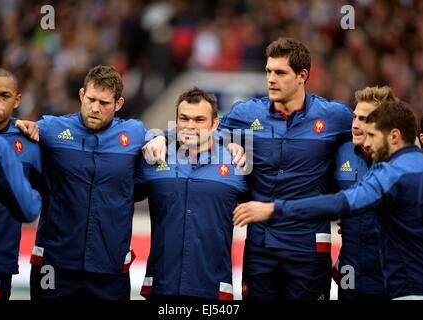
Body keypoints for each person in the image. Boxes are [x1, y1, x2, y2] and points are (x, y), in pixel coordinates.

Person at [145, 37, 353, 299]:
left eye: (280, 72)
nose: (271, 79)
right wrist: (162, 136)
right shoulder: (246, 114)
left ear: (302, 75)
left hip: (308, 248)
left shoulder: (335, 116)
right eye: (268, 71)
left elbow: (370, 135)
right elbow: (199, 130)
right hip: (260, 248)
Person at [234, 100, 423, 300]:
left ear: (394, 136)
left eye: (373, 135)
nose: (367, 143)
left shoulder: (392, 174)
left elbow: (342, 203)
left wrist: (275, 209)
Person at [17, 65, 147, 300]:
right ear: (81, 95)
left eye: (104, 103)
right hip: (54, 267)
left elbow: (173, 139)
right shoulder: (50, 129)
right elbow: (10, 133)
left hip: (110, 269)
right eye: (91, 99)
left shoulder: (136, 134)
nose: (95, 108)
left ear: (118, 104)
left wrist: (157, 139)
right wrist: (18, 126)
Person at [135, 87, 248, 300]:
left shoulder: (237, 164)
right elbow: (118, 198)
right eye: (184, 119)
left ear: (215, 124)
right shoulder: (153, 158)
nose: (189, 126)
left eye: (199, 120)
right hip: (161, 284)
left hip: (213, 287)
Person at [330, 86, 397, 300]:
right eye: (354, 117)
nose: (356, 125)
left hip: (389, 276)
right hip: (350, 273)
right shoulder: (341, 151)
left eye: (364, 119)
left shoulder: (404, 161)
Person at [0, 68, 42, 300]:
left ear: (17, 100)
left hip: (1, 263)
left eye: (4, 96)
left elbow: (47, 193)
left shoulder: (29, 144)